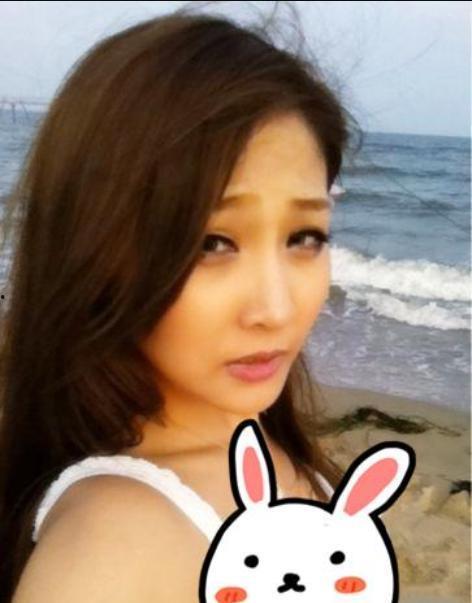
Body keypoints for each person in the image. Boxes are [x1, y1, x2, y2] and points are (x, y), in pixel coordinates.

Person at [0, 3, 361, 601]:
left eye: (305, 237)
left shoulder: (264, 444)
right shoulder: (108, 549)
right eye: (211, 243)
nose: (276, 309)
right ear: (95, 250)